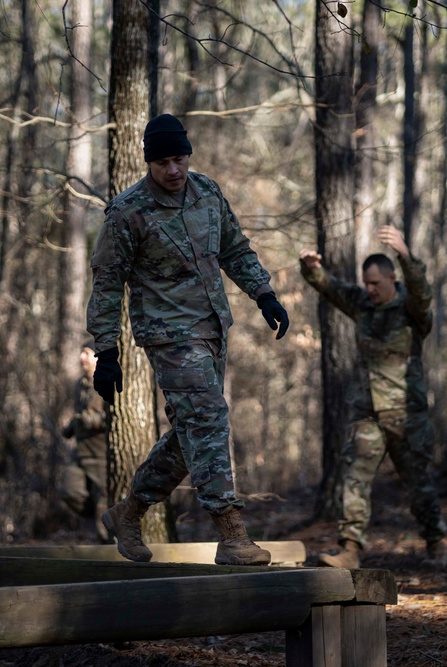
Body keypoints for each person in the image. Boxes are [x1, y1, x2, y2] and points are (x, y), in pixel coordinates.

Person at [86, 113, 290, 566]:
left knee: (190, 433)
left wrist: (264, 294)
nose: (173, 170)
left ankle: (128, 512)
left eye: (179, 159)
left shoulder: (207, 192)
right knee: (209, 418)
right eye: (162, 163)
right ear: (148, 164)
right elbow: (106, 282)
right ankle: (233, 534)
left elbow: (235, 249)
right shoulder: (128, 212)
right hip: (168, 335)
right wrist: (106, 350)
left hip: (213, 328)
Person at [299, 225, 447, 569]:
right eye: (366, 283)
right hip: (367, 412)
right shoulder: (363, 304)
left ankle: (436, 540)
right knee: (355, 477)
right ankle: (350, 548)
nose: (369, 289)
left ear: (392, 279)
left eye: (375, 283)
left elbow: (422, 293)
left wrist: (407, 257)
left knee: (418, 484)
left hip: (405, 414)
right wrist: (311, 269)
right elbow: (332, 288)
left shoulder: (412, 310)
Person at [60, 340, 109, 543]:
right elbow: (81, 414)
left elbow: (115, 417)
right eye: (81, 353)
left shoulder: (109, 380)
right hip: (80, 453)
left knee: (103, 503)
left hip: (100, 454)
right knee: (69, 490)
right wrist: (72, 426)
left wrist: (92, 420)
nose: (82, 358)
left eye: (87, 353)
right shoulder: (80, 384)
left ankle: (108, 548)